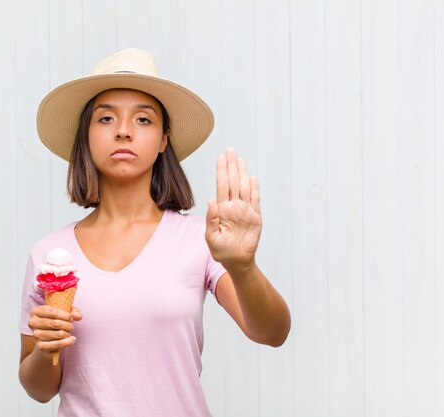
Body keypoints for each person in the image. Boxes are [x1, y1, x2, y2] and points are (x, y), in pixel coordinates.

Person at [19, 48, 291, 417]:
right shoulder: (49, 254)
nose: (124, 131)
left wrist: (243, 266)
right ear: (85, 137)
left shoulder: (202, 240)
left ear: (164, 140)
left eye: (144, 120)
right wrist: (46, 350)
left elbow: (272, 333)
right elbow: (38, 390)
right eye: (105, 119)